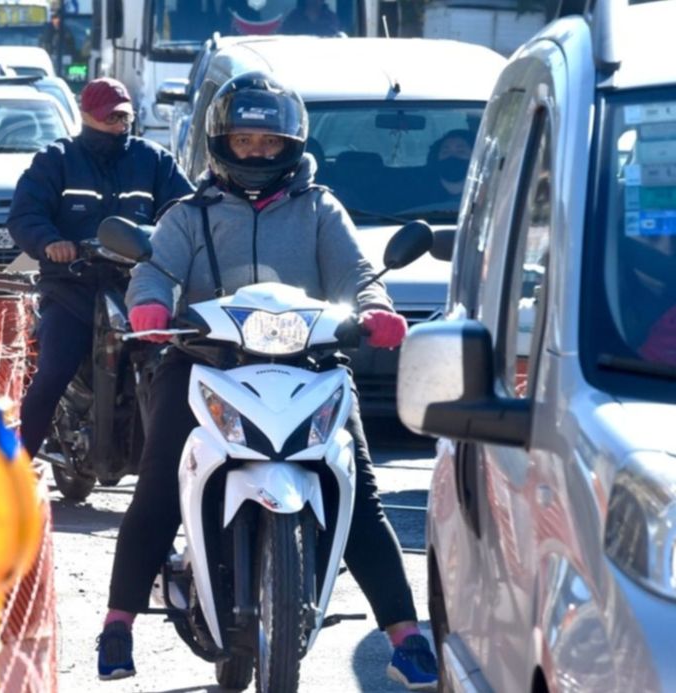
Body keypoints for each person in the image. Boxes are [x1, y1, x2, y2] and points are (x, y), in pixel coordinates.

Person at [95, 73, 438, 690]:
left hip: (310, 366)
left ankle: (404, 634)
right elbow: (153, 271)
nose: (256, 152)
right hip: (205, 363)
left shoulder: (318, 209)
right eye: (244, 139)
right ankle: (118, 623)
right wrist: (148, 304)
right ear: (220, 141)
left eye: (270, 142)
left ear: (292, 145)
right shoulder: (188, 214)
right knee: (158, 488)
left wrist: (377, 309)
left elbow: (359, 274)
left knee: (355, 491)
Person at [8, 77, 192, 460]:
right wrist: (50, 243)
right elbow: (25, 214)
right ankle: (12, 472)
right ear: (86, 115)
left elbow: (186, 212)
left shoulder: (154, 160)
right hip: (72, 289)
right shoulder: (55, 160)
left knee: (178, 370)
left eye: (124, 116)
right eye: (110, 116)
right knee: (53, 373)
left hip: (138, 288)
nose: (118, 123)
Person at [408, 128, 473, 209]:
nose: (452, 156)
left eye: (461, 151)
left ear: (474, 158)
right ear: (436, 158)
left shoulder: (484, 195)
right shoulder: (417, 193)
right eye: (446, 152)